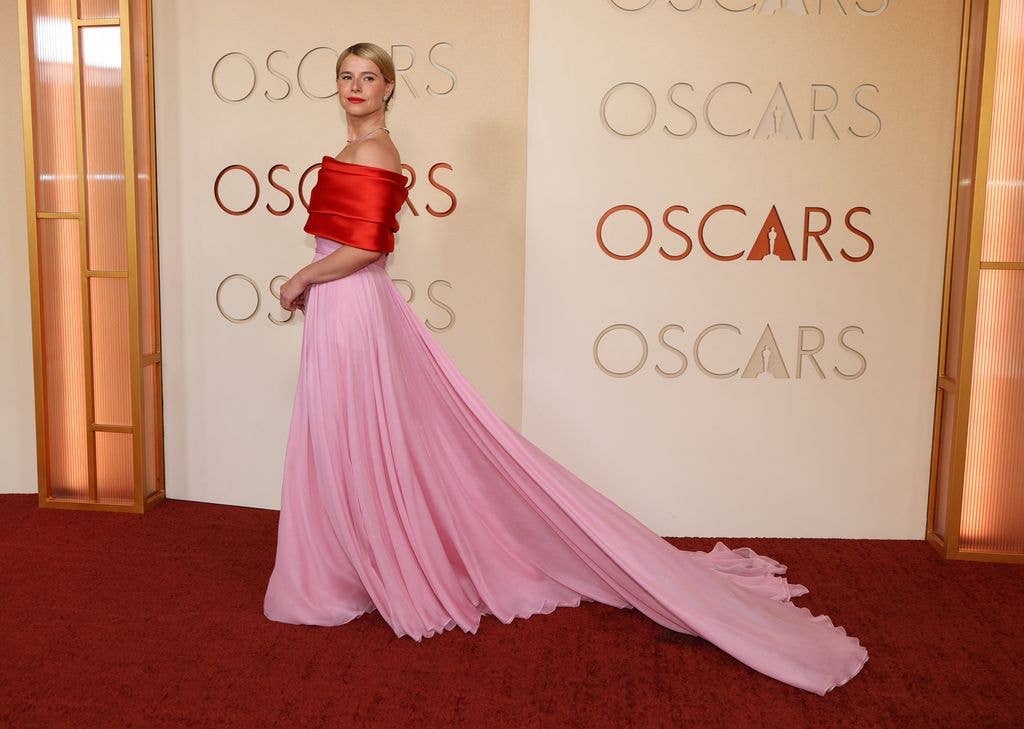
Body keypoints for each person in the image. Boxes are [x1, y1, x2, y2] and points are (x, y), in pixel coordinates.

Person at [263, 42, 868, 696]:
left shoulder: (378, 150)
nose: (356, 86)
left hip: (352, 306)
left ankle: (370, 565)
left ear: (389, 89)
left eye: (369, 77)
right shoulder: (356, 150)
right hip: (342, 307)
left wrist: (302, 277)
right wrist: (316, 285)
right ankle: (355, 564)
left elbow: (366, 246)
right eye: (347, 77)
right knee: (348, 437)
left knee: (359, 436)